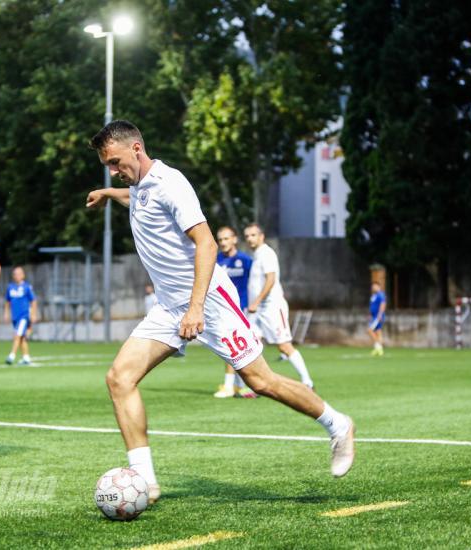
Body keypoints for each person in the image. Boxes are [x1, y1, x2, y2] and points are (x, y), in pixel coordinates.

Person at [85, 121, 355, 504]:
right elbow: (139, 199)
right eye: (108, 166)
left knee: (261, 382)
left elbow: (207, 244)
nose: (113, 170)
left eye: (115, 162)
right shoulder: (140, 187)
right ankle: (145, 480)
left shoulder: (171, 183)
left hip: (209, 301)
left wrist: (196, 309)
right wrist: (110, 193)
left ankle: (338, 424)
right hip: (168, 306)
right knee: (119, 378)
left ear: (138, 149)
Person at [243, 223, 314, 388]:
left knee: (284, 346)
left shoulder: (267, 253)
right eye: (247, 236)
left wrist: (257, 301)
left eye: (253, 235)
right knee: (250, 344)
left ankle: (307, 381)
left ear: (261, 236)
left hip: (272, 308)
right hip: (257, 311)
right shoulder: (256, 256)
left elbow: (271, 280)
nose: (250, 239)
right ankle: (251, 385)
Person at [213, 226, 256, 399]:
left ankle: (231, 386)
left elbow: (255, 282)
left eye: (226, 238)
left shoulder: (246, 260)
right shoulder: (216, 261)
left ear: (235, 239)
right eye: (220, 239)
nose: (223, 242)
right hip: (222, 309)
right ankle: (240, 385)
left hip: (242, 309)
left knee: (234, 346)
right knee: (234, 346)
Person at [4, 266, 38, 365]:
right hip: (15, 317)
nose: (17, 275)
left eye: (19, 273)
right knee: (22, 337)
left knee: (17, 335)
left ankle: (11, 355)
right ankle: (26, 358)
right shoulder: (10, 287)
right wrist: (6, 313)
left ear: (23, 275)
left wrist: (34, 314)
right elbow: (7, 301)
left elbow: (33, 301)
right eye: (15, 274)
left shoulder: (27, 287)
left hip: (24, 316)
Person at [368, 282, 386, 356]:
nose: (373, 288)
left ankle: (378, 347)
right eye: (372, 286)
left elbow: (383, 304)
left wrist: (380, 314)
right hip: (373, 316)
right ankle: (378, 349)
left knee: (369, 330)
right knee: (378, 332)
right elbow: (372, 306)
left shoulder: (380, 294)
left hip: (377, 316)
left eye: (375, 286)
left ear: (378, 286)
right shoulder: (373, 296)